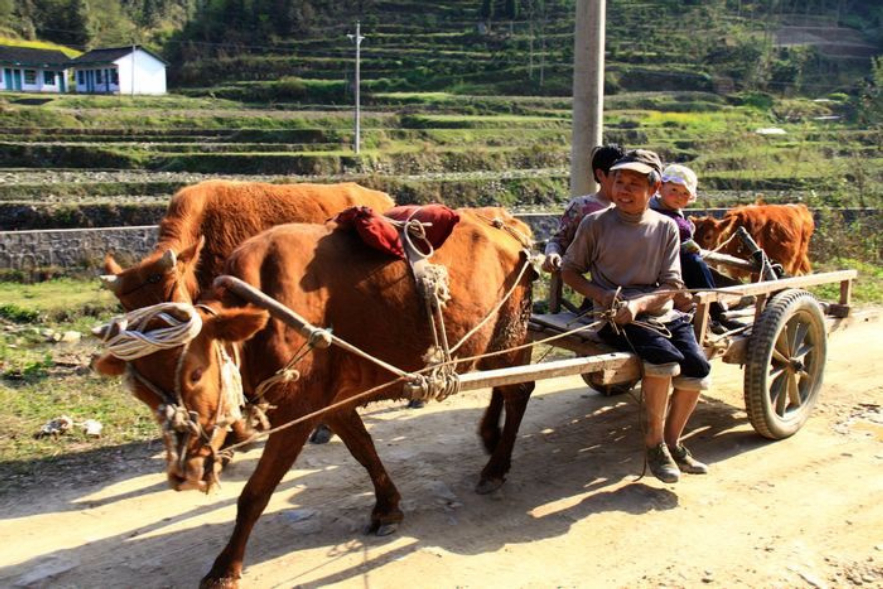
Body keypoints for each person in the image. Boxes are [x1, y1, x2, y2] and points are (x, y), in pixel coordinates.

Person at [561, 149, 711, 483]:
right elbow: (570, 271)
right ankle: (654, 444)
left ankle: (674, 443)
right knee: (664, 360)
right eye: (619, 181)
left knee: (698, 368)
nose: (624, 190)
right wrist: (601, 296)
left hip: (659, 313)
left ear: (654, 190)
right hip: (613, 315)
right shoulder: (595, 224)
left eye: (634, 184)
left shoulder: (665, 228)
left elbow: (672, 284)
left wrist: (640, 305)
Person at [649, 164, 739, 332]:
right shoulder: (651, 210)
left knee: (701, 267)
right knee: (696, 264)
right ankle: (717, 312)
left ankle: (714, 313)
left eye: (684, 193)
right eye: (674, 190)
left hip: (673, 261)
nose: (678, 197)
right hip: (658, 262)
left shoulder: (673, 210)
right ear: (660, 187)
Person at [542, 143, 626, 273]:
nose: (623, 182)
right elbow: (558, 241)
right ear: (600, 174)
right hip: (588, 285)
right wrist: (552, 254)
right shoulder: (581, 207)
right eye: (617, 176)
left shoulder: (631, 207)